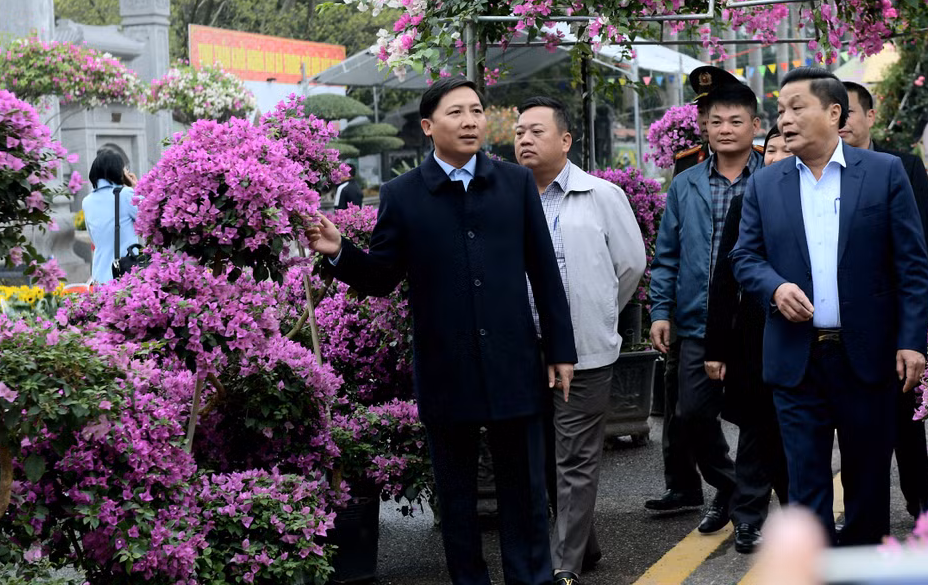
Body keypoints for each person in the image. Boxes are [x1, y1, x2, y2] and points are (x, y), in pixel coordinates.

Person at [305, 78, 577, 585]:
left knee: (525, 492)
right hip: (444, 367)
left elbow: (544, 271)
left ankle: (531, 578)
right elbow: (383, 277)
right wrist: (340, 250)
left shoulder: (514, 183)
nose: (471, 120)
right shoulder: (402, 195)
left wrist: (560, 350)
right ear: (429, 127)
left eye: (477, 110)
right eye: (457, 112)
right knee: (456, 499)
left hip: (514, 364)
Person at [730, 67, 928, 546]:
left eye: (797, 107)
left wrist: (911, 342)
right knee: (805, 486)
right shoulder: (766, 183)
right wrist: (775, 288)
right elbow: (745, 257)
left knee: (867, 483)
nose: (785, 119)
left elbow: (912, 265)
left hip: (867, 354)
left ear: (834, 112)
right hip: (796, 359)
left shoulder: (884, 173)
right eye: (780, 110)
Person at [513, 96, 646, 585]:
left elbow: (629, 265)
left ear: (565, 141)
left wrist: (597, 312)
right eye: (519, 131)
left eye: (536, 131)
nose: (524, 139)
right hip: (523, 352)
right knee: (544, 458)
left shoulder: (602, 195)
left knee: (575, 457)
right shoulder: (510, 196)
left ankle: (562, 565)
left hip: (585, 352)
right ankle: (582, 547)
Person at [646, 84, 763, 534]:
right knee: (691, 414)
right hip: (697, 320)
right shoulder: (686, 182)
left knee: (756, 418)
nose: (726, 129)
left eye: (736, 121)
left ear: (755, 126)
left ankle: (744, 506)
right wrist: (660, 311)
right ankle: (731, 485)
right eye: (716, 122)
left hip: (757, 322)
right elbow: (668, 254)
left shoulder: (772, 177)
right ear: (705, 129)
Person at [839, 81, 928, 520]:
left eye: (849, 111)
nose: (842, 121)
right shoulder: (815, 171)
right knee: (851, 422)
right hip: (844, 318)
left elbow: (926, 240)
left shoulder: (903, 165)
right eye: (834, 111)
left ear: (871, 116)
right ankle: (860, 508)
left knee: (907, 413)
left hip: (897, 314)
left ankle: (920, 497)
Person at [703, 125, 792, 554]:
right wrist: (716, 346)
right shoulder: (747, 201)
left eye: (785, 148)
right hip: (755, 338)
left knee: (795, 429)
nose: (776, 156)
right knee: (758, 427)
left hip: (809, 334)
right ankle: (749, 519)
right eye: (770, 149)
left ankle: (799, 514)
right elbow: (724, 278)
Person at [81, 149, 139, 284]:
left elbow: (94, 239)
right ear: (119, 172)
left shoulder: (87, 201)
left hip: (99, 276)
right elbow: (150, 216)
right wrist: (137, 188)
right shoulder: (126, 194)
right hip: (124, 276)